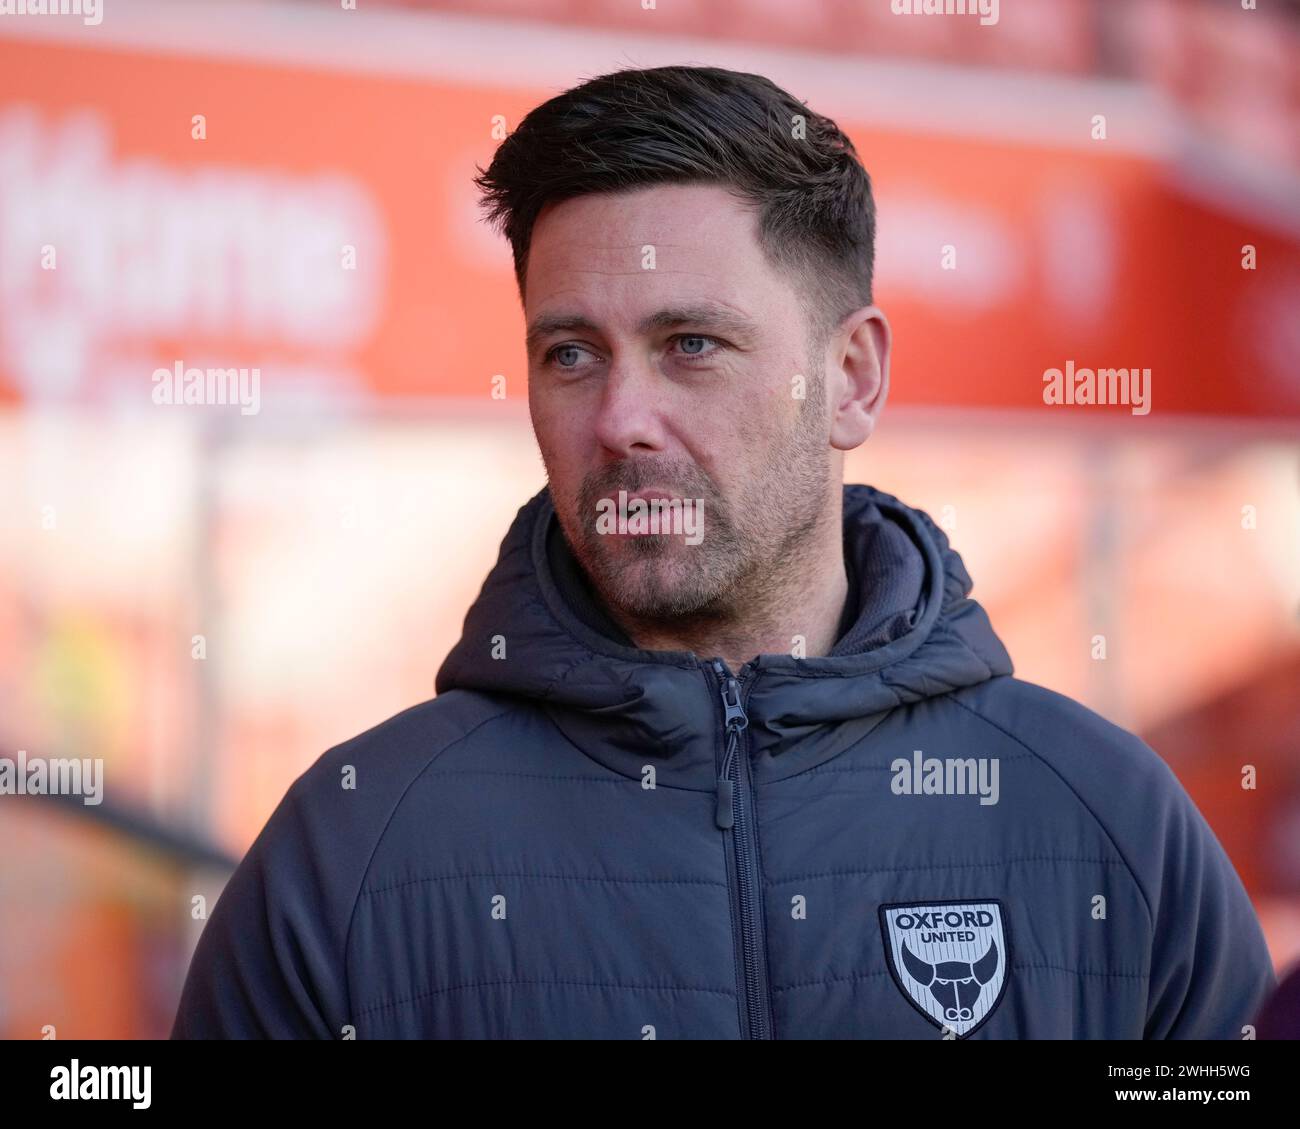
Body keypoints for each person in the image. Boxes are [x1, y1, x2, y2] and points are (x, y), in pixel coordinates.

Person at [172, 64, 1276, 1039]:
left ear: (851, 378)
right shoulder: (355, 846)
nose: (619, 420)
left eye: (690, 344)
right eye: (569, 353)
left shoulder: (1103, 820)